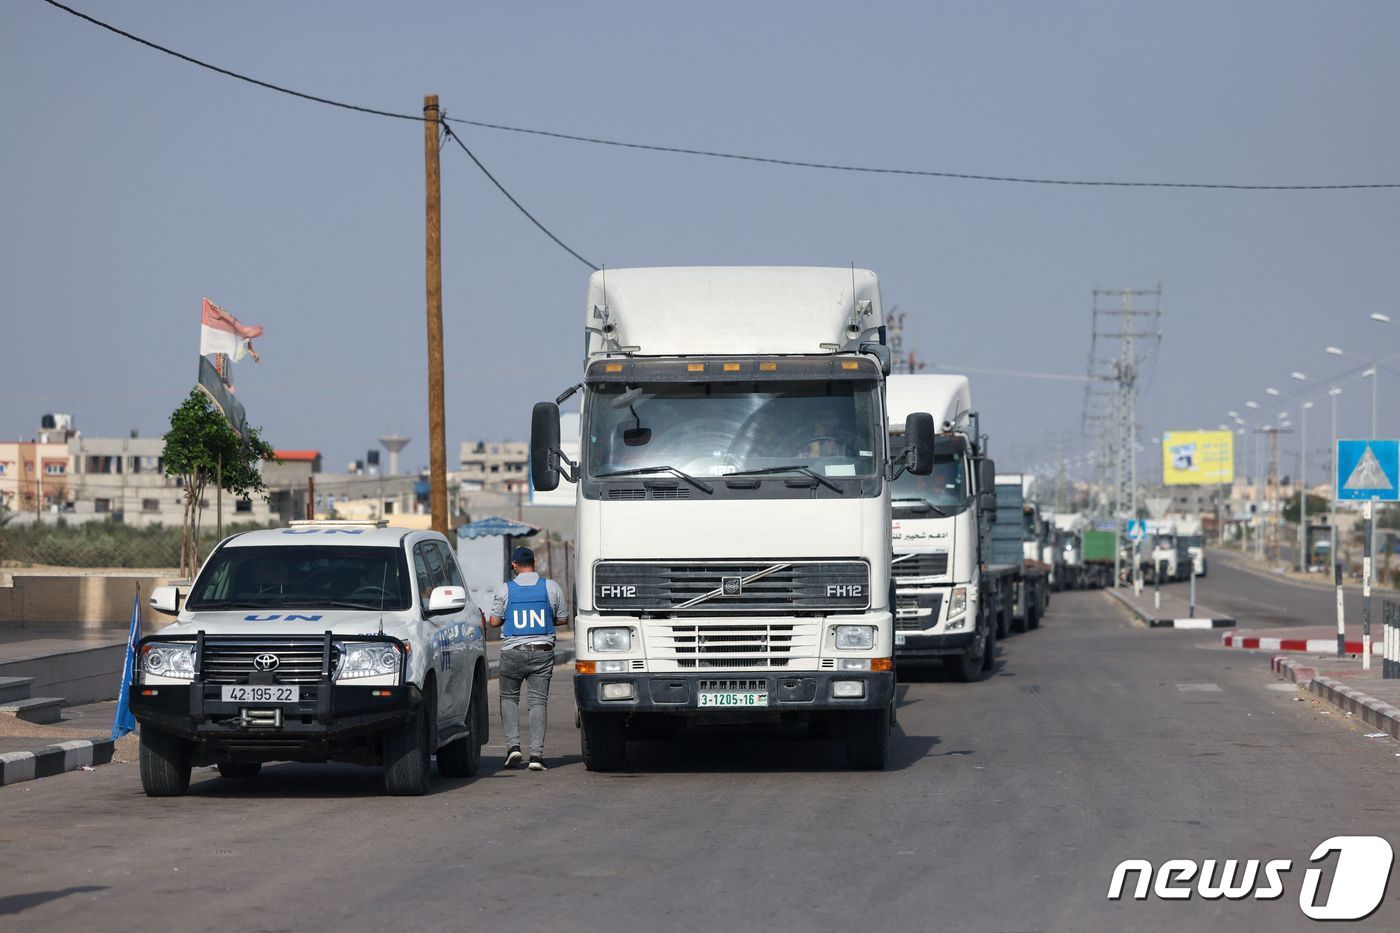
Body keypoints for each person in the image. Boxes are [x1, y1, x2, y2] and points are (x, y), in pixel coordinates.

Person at [487, 545, 570, 771]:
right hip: (542, 653)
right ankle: (536, 755)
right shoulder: (551, 587)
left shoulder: (505, 589)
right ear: (534, 563)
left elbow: (493, 622)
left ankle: (513, 747)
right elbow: (563, 618)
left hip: (512, 653)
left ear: (514, 565)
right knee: (537, 702)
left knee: (508, 698)